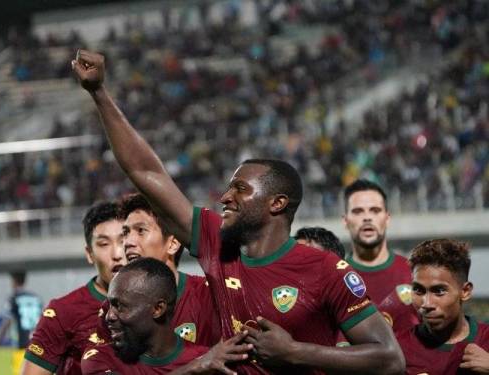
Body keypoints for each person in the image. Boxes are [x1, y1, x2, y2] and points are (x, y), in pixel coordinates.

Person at [72, 50, 404, 374]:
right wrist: (99, 92)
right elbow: (147, 173)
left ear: (277, 203)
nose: (226, 197)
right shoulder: (218, 244)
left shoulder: (325, 269)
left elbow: (390, 358)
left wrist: (295, 352)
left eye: (240, 189)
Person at [81, 257, 251, 374]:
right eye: (110, 304)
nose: (109, 316)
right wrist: (191, 370)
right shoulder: (99, 358)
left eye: (120, 306)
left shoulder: (209, 362)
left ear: (158, 309)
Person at [22, 201, 126, 375]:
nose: (117, 254)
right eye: (104, 244)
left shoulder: (157, 305)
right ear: (89, 254)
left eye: (123, 241)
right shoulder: (63, 312)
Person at [119, 193, 220, 346]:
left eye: (141, 230)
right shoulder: (114, 306)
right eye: (126, 233)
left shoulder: (208, 296)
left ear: (173, 244)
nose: (128, 242)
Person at [396, 239, 489, 374]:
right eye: (418, 290)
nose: (426, 304)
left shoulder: (486, 340)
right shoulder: (397, 349)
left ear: (465, 291)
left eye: (439, 291)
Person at [343, 179, 419, 332]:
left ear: (387, 218)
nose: (367, 218)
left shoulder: (414, 273)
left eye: (375, 210)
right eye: (358, 211)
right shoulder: (334, 277)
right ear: (345, 221)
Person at [0, 271, 43, 375]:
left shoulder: (14, 298)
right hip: (38, 346)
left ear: (13, 282)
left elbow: (7, 321)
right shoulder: (36, 298)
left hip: (22, 347)